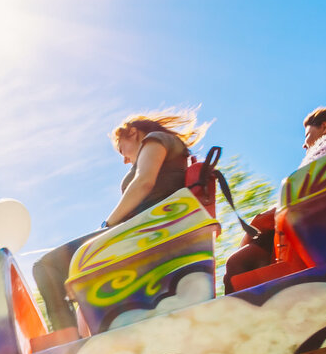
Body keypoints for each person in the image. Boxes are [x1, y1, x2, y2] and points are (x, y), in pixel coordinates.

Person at [33, 112, 205, 331]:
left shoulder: (154, 139)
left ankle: (66, 345)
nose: (124, 159)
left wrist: (108, 226)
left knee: (46, 266)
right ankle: (80, 337)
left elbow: (143, 182)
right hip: (145, 229)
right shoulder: (170, 150)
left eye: (121, 150)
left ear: (132, 133)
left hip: (142, 230)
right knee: (74, 279)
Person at [225, 107, 326, 286]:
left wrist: (259, 222)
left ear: (325, 127)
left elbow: (302, 196)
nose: (304, 145)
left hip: (317, 229)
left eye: (306, 136)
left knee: (237, 263)